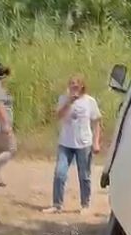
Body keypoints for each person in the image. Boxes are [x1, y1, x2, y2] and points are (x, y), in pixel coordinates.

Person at [43, 74, 101, 213]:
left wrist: (96, 142)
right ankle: (57, 205)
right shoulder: (63, 99)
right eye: (71, 83)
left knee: (84, 175)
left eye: (76, 84)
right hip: (66, 143)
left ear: (82, 86)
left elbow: (96, 122)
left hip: (83, 143)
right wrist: (69, 102)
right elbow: (58, 116)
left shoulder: (89, 101)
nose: (74, 86)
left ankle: (85, 205)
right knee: (59, 173)